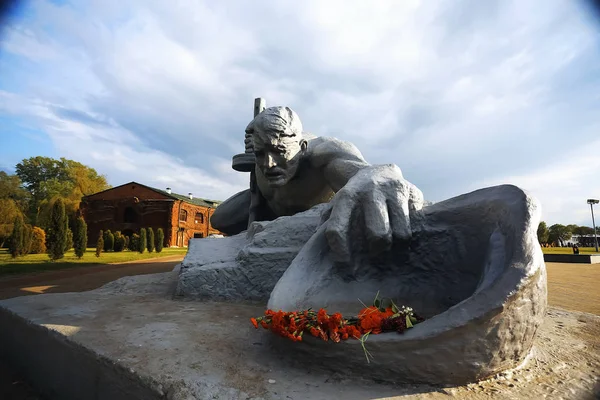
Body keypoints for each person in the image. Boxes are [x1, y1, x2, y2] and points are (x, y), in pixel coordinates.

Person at [211, 106, 423, 262]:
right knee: (220, 219)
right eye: (261, 154)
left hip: (308, 219)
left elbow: (364, 172)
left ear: (302, 146)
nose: (269, 164)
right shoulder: (262, 155)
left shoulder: (323, 151)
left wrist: (379, 178)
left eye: (280, 152)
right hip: (268, 210)